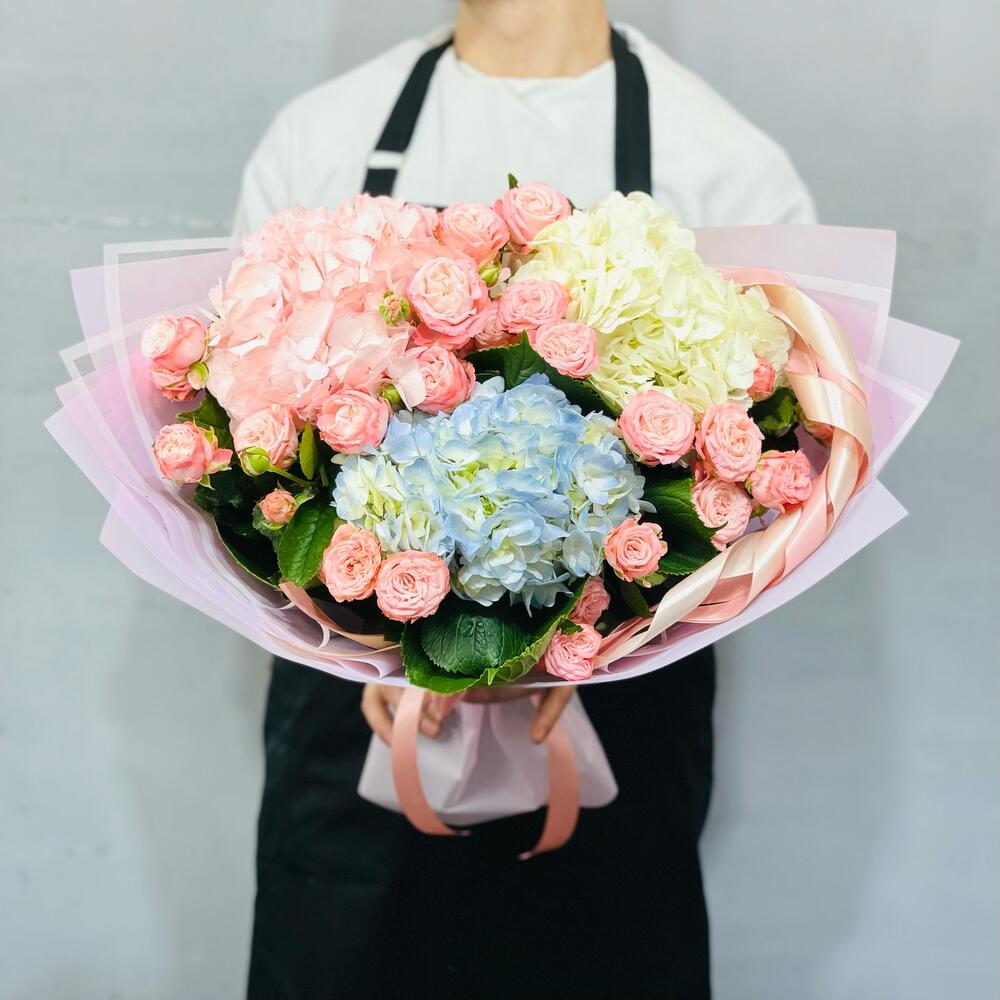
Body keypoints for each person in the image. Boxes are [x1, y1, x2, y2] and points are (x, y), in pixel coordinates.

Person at [234, 3, 815, 997]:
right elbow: (242, 428)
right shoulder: (323, 135)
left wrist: (598, 630)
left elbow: (774, 465)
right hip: (356, 706)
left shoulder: (725, 164)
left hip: (619, 706)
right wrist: (359, 627)